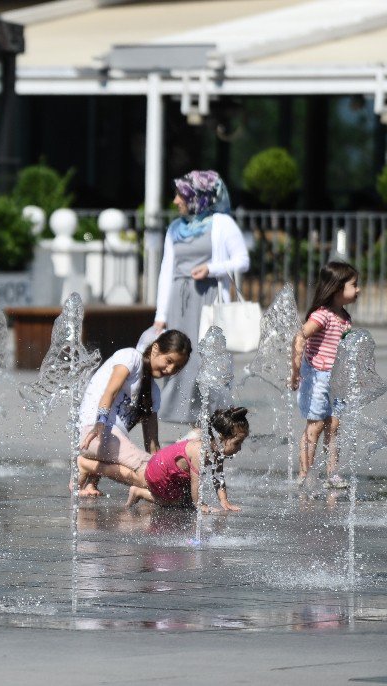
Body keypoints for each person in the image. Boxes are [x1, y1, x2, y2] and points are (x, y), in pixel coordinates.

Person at [153, 170, 249, 430]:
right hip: (179, 302)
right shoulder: (175, 228)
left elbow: (242, 259)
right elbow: (166, 272)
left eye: (181, 195)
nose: (175, 201)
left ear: (200, 197)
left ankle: (210, 423)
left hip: (208, 300)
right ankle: (194, 426)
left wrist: (211, 268)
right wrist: (160, 316)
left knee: (205, 362)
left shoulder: (221, 223)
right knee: (180, 360)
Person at [75, 330, 193, 497]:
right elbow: (111, 391)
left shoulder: (154, 393)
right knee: (155, 477)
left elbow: (152, 444)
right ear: (155, 349)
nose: (170, 369)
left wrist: (166, 465)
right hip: (93, 433)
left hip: (108, 443)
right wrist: (99, 423)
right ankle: (85, 465)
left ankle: (90, 481)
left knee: (162, 477)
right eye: (169, 361)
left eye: (177, 367)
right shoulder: (130, 357)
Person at [79, 407, 249, 512]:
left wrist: (224, 501)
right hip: (159, 471)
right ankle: (140, 491)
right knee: (175, 502)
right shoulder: (200, 451)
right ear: (220, 438)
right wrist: (200, 505)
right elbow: (197, 483)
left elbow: (218, 477)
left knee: (185, 501)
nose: (240, 447)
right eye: (237, 442)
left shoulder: (217, 450)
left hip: (170, 471)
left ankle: (91, 466)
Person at [290, 261, 360, 489]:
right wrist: (296, 369)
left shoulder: (344, 317)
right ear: (338, 288)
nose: (358, 289)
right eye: (354, 285)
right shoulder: (322, 316)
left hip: (336, 379)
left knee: (334, 426)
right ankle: (304, 474)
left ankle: (332, 473)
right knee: (315, 426)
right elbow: (301, 335)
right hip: (318, 377)